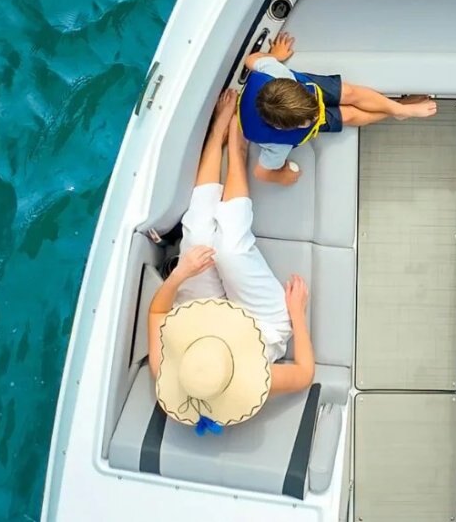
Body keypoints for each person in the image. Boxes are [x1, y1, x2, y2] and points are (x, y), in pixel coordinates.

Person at [147, 91, 315, 428]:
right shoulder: (251, 381)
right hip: (263, 326)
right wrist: (296, 313)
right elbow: (304, 374)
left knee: (197, 238)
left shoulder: (177, 367)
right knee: (231, 250)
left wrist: (181, 274)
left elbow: (157, 312)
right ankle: (237, 154)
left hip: (200, 318)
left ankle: (217, 133)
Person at [240, 31, 437, 186]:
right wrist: (282, 177)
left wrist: (274, 56)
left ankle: (399, 110)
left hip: (307, 92)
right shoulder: (277, 145)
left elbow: (251, 60)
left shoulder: (275, 71)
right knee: (349, 115)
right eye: (309, 121)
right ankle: (399, 109)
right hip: (289, 111)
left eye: (314, 111)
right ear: (284, 129)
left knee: (350, 92)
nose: (317, 114)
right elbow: (261, 173)